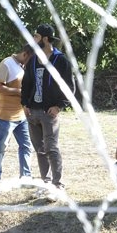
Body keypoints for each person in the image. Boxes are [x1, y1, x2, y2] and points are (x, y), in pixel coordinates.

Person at [21, 23, 74, 201]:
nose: (33, 40)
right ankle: (45, 183)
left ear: (44, 39)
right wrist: (24, 103)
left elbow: (69, 86)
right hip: (32, 112)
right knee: (39, 150)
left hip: (49, 112)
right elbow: (26, 83)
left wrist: (59, 106)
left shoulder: (61, 60)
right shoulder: (33, 59)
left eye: (36, 37)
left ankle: (57, 186)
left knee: (51, 148)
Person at [0, 44, 35, 187]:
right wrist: (19, 92)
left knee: (26, 146)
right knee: (1, 146)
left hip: (22, 114)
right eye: (31, 59)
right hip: (5, 115)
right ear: (25, 54)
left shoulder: (25, 66)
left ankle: (26, 176)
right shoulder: (7, 63)